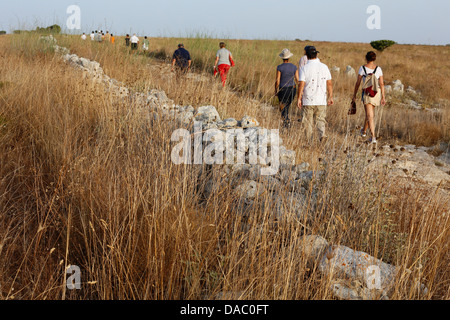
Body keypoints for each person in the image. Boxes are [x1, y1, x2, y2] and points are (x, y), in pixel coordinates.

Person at [297, 46, 333, 143]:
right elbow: (329, 83)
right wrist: (330, 97)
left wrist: (299, 98)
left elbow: (301, 84)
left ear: (307, 56)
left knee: (307, 122)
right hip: (321, 99)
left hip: (308, 99)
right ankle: (322, 135)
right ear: (316, 54)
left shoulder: (304, 68)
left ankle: (309, 142)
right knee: (320, 121)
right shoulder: (324, 67)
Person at [351, 51, 386, 144]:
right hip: (376, 93)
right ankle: (364, 131)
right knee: (369, 114)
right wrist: (383, 97)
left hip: (367, 93)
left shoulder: (362, 68)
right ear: (374, 58)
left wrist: (354, 95)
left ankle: (373, 137)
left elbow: (358, 83)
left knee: (370, 115)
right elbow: (382, 83)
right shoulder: (378, 69)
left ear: (366, 58)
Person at [275, 49, 299, 128]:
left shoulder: (279, 67)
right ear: (289, 58)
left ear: (282, 58)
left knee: (282, 106)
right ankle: (287, 120)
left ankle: (286, 122)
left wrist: (276, 90)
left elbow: (277, 80)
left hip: (283, 89)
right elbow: (297, 79)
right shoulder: (294, 67)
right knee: (287, 105)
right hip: (292, 88)